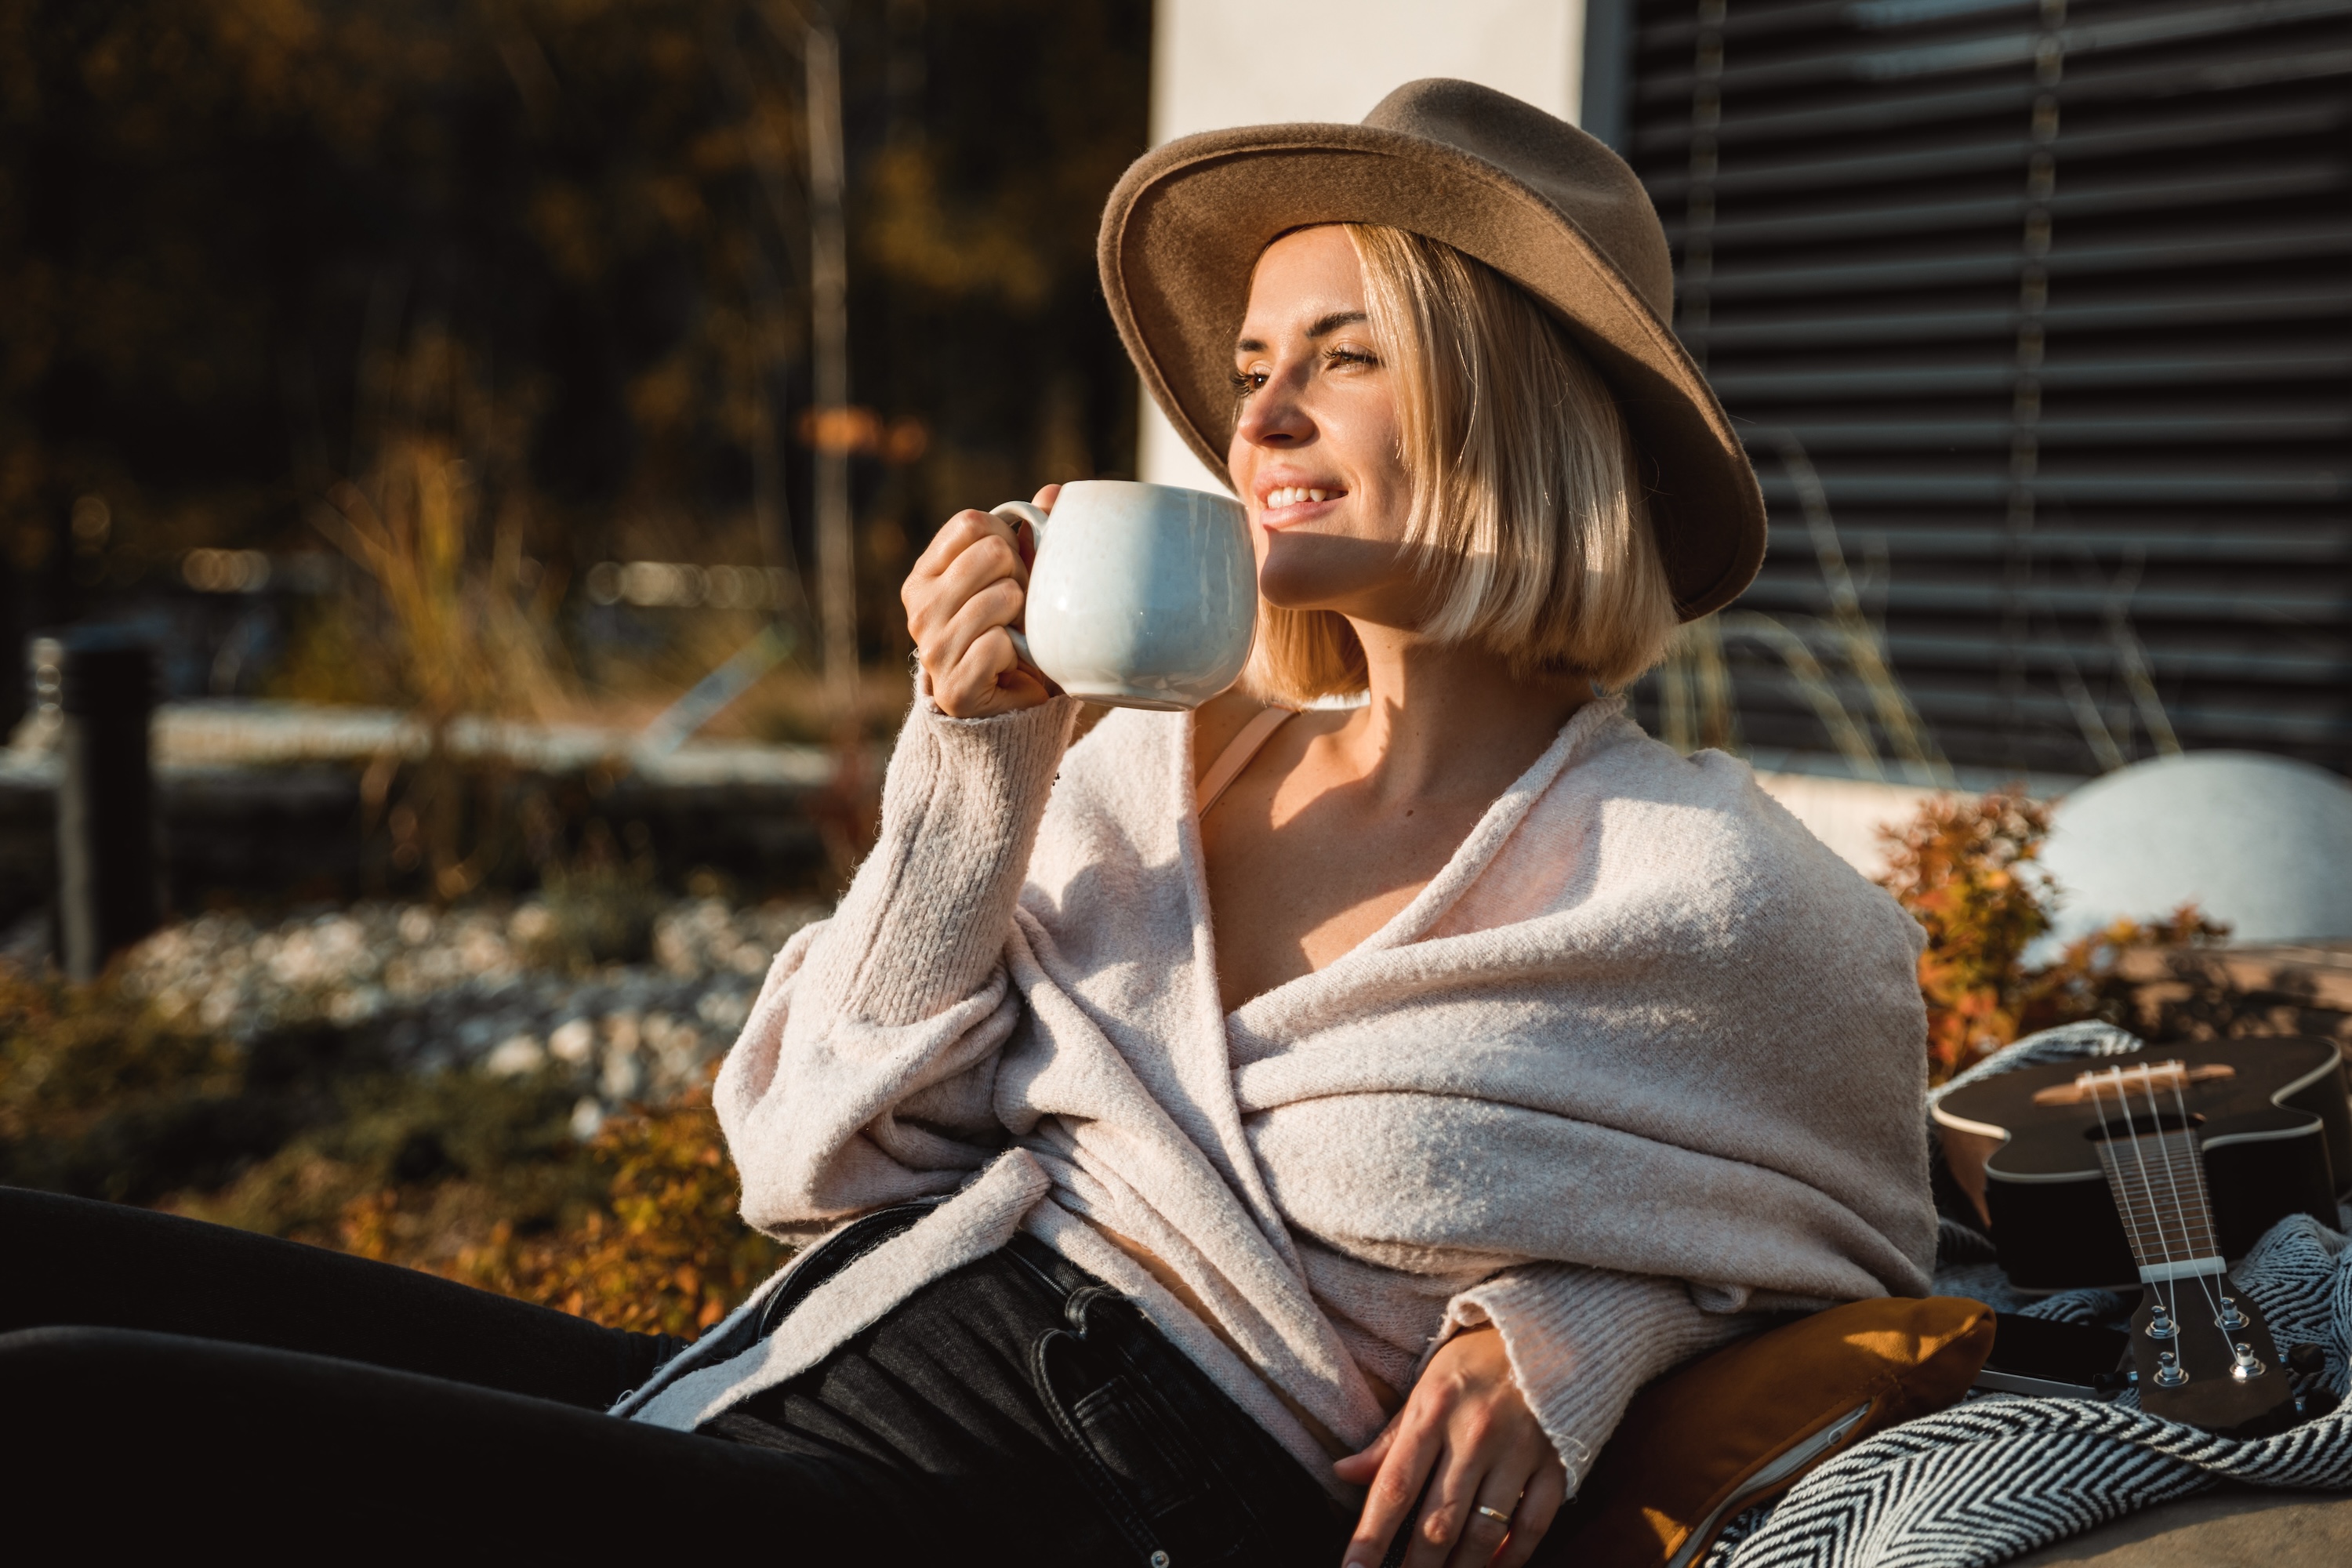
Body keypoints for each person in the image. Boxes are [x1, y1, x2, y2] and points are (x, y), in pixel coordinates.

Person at [0, 80, 1933, 1567]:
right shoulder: (1149, 773)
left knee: (79, 1429)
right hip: (844, 1365)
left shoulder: (1715, 889)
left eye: (1345, 354)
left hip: (1078, 1500)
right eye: (1250, 369)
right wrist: (979, 754)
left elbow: (1871, 1260)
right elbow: (806, 1153)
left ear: (1520, 406)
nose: (1259, 418)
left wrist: (1572, 1324)